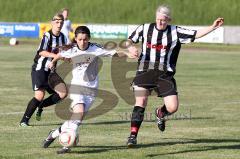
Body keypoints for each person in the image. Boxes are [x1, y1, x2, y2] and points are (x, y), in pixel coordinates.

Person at [126, 4, 224, 147]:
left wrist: (213, 27)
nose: (160, 22)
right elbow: (129, 40)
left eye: (164, 20)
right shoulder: (145, 28)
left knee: (172, 107)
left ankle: (160, 113)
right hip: (144, 72)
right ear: (155, 17)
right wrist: (130, 47)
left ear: (169, 20)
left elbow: (195, 34)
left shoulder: (175, 32)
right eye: (158, 19)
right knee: (141, 101)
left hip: (165, 74)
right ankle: (133, 136)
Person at [42, 26, 131, 154]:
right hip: (76, 87)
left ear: (88, 38)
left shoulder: (96, 49)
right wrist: (52, 62)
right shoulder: (72, 49)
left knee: (76, 119)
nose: (82, 42)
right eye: (80, 39)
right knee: (79, 112)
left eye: (85, 39)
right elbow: (60, 54)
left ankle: (54, 134)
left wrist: (127, 53)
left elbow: (114, 53)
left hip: (91, 90)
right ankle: (67, 145)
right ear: (76, 39)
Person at [19, 12, 68, 127]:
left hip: (51, 71)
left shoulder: (63, 37)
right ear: (52, 23)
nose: (59, 24)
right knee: (39, 95)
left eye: (61, 22)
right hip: (39, 69)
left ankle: (41, 106)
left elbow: (63, 53)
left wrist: (67, 58)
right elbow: (41, 52)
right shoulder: (47, 35)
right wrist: (54, 57)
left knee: (63, 93)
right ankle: (24, 120)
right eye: (57, 22)